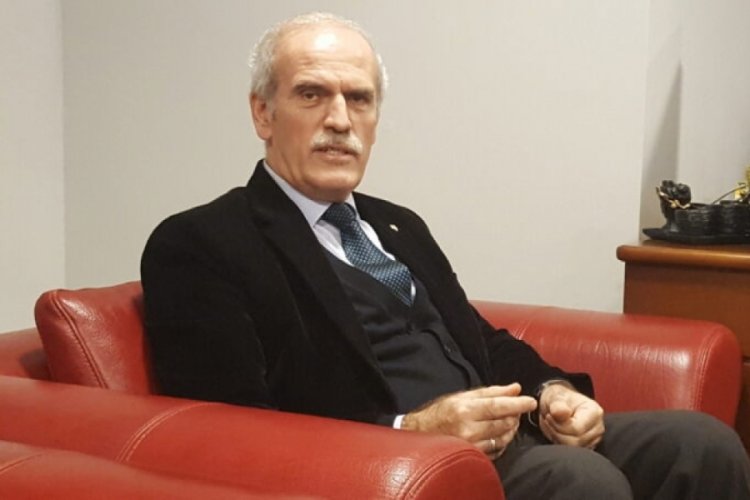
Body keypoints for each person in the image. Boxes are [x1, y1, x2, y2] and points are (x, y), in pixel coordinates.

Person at [141, 12, 750, 499]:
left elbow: (479, 341)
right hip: (390, 468)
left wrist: (553, 392)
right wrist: (412, 430)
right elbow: (231, 430)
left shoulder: (397, 224)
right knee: (580, 482)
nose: (340, 120)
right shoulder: (201, 243)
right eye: (311, 94)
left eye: (359, 99)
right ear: (262, 113)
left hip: (506, 440)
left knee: (702, 445)